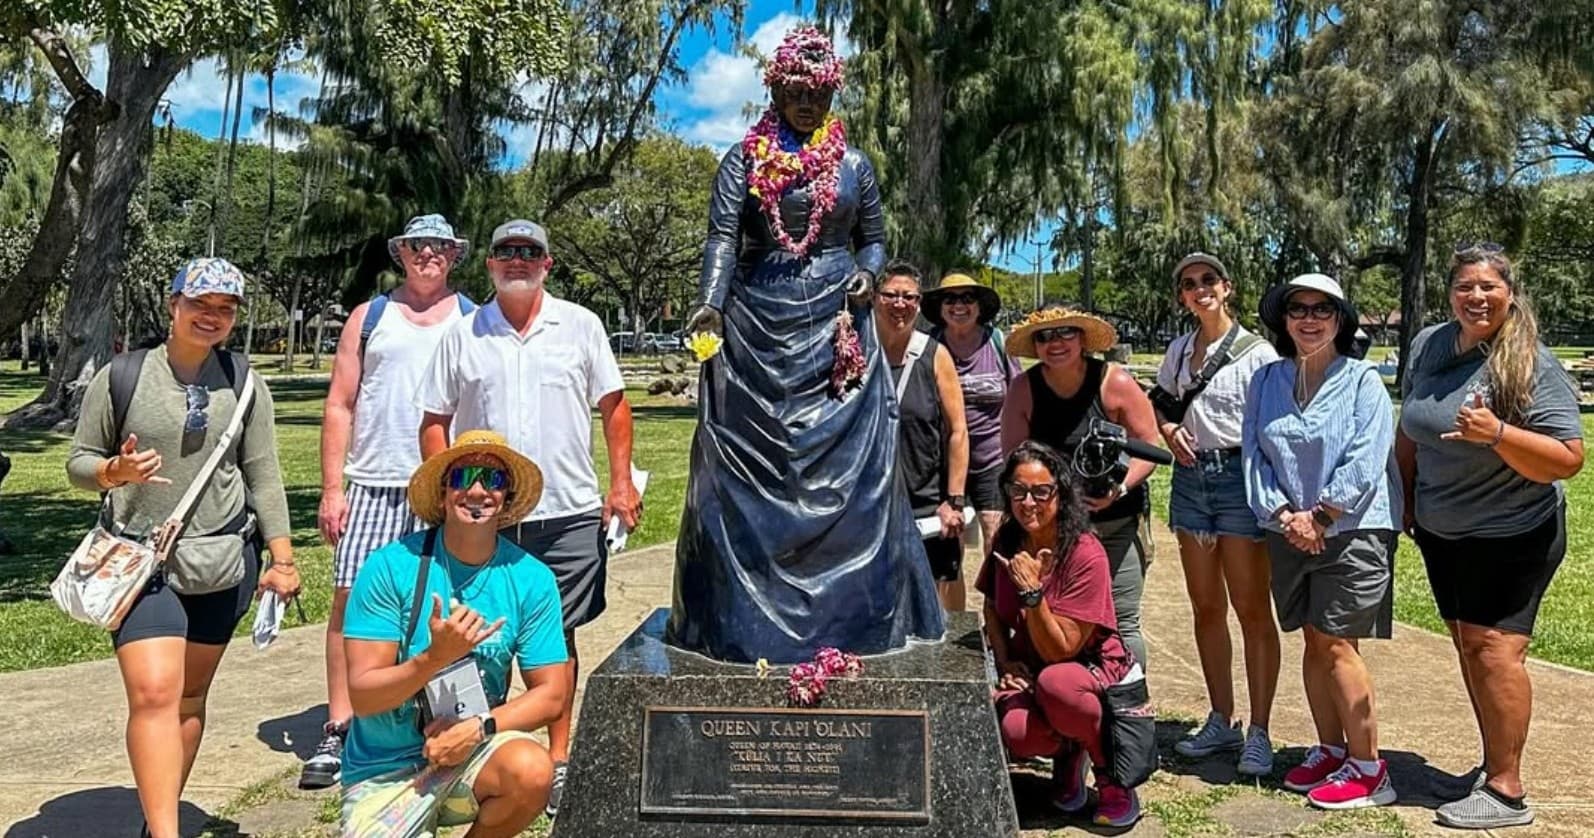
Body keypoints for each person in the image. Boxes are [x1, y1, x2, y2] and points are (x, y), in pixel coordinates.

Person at [668, 25, 944, 663]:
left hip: (836, 324)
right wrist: (711, 300)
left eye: (818, 94)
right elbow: (723, 239)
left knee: (857, 477)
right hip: (756, 318)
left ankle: (853, 616)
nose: (807, 104)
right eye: (795, 92)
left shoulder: (855, 165)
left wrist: (868, 275)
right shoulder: (744, 159)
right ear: (776, 89)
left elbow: (871, 239)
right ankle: (739, 619)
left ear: (830, 95)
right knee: (740, 466)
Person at [66, 258, 298, 838]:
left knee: (189, 698)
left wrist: (283, 558)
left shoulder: (244, 382)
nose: (211, 316)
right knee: (154, 693)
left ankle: (156, 818)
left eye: (225, 309)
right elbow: (79, 462)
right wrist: (113, 472)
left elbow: (264, 473)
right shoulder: (121, 376)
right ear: (173, 306)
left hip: (220, 561)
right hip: (141, 563)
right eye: (200, 304)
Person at [417, 218, 639, 818]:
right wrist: (444, 489)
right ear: (488, 265)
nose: (517, 260)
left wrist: (620, 483)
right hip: (482, 512)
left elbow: (614, 408)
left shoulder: (582, 326)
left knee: (555, 642)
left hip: (565, 511)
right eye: (505, 252)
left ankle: (558, 760)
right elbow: (435, 421)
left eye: (530, 252)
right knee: (464, 637)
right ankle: (464, 753)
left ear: (547, 264)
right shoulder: (463, 334)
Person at [1397, 245, 1583, 829]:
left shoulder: (1531, 362)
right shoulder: (1429, 344)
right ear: (1450, 293)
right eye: (1464, 287)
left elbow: (1568, 459)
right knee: (1468, 647)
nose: (1476, 297)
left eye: (1488, 287)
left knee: (1496, 653)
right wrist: (1405, 497)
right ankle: (1491, 765)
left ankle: (1507, 792)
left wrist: (1498, 433)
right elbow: (1412, 425)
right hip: (1441, 528)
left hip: (1513, 531)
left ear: (1509, 293)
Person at [303, 213, 476, 790]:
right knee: (350, 604)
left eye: (441, 247)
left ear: (455, 257)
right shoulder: (369, 317)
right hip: (375, 480)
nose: (429, 255)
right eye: (418, 245)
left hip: (446, 484)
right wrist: (333, 487)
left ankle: (446, 720)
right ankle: (340, 724)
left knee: (447, 606)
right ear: (401, 253)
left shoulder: (474, 320)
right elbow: (340, 404)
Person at [341, 431, 566, 836]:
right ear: (444, 493)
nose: (477, 490)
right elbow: (362, 694)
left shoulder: (532, 579)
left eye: (493, 479)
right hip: (385, 769)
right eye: (463, 477)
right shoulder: (390, 567)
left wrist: (480, 728)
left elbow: (552, 694)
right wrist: (435, 657)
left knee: (532, 770)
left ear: (507, 497)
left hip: (472, 753)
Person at [1243, 273, 1402, 810]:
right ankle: (1331, 748)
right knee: (1313, 640)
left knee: (1337, 643)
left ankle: (1370, 768)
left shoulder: (1362, 380)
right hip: (1289, 529)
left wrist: (1324, 514)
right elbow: (1254, 455)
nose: (1309, 319)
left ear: (1340, 320)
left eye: (1323, 310)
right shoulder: (1266, 381)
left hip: (1352, 528)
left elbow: (1368, 453)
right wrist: (1285, 514)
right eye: (1298, 309)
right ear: (1284, 320)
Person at [1154, 253, 1281, 776]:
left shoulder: (1259, 352)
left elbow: (1275, 422)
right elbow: (1159, 401)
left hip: (1238, 479)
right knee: (1205, 607)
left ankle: (1260, 728)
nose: (1200, 289)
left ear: (1227, 288)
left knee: (1252, 609)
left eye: (1208, 280)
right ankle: (1220, 717)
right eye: (1189, 284)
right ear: (1182, 296)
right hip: (1190, 479)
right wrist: (1166, 429)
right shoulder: (1181, 350)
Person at [981, 441, 1140, 828]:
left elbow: (1062, 649)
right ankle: (1069, 750)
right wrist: (1005, 662)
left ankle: (1111, 775)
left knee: (1058, 685)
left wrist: (1034, 596)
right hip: (1033, 666)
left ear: (1061, 493)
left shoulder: (1085, 552)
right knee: (1017, 732)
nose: (1028, 502)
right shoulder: (1007, 541)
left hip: (1083, 668)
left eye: (1041, 491)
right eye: (1018, 491)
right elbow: (992, 607)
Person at [999, 307, 1161, 668]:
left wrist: (1118, 489)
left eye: (1066, 333)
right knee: (1056, 620)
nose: (1055, 343)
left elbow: (1150, 447)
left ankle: (1128, 710)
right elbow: (1014, 459)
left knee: (1122, 621)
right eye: (1044, 336)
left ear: (1083, 339)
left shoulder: (1113, 382)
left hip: (1115, 523)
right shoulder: (1024, 389)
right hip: (1052, 534)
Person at [874, 260, 969, 611]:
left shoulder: (934, 354)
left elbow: (958, 431)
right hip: (871, 501)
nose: (900, 304)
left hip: (927, 501)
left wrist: (954, 501)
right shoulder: (858, 351)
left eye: (909, 297)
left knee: (938, 596)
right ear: (874, 298)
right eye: (891, 296)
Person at [921, 272, 1020, 563]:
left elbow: (1019, 397)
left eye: (967, 298)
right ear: (940, 307)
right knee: (951, 541)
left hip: (992, 459)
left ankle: (996, 604)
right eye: (950, 299)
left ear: (979, 306)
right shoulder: (930, 346)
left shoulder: (998, 343)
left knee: (996, 537)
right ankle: (955, 610)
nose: (958, 306)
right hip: (944, 463)